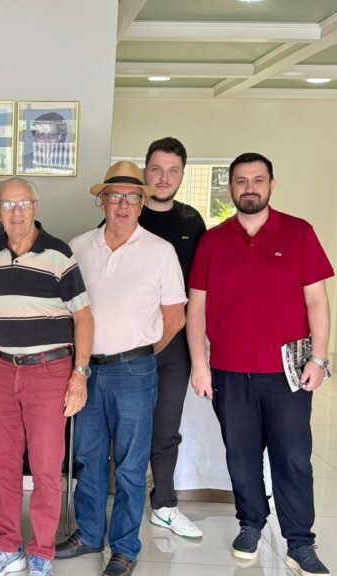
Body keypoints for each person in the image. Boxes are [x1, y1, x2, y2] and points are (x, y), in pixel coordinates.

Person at [187, 152, 334, 575]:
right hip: (230, 373)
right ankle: (250, 524)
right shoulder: (213, 241)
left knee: (293, 457)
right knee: (241, 457)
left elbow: (317, 301)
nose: (249, 188)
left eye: (258, 180)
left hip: (288, 374)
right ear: (230, 187)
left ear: (271, 185)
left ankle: (300, 542)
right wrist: (200, 364)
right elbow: (197, 308)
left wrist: (319, 358)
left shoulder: (299, 233)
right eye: (241, 180)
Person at [56, 161, 186, 576]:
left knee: (130, 465)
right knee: (87, 458)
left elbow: (175, 317)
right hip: (86, 372)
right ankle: (89, 535)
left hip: (135, 373)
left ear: (143, 203)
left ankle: (125, 547)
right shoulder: (78, 247)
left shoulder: (160, 252)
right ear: (102, 201)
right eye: (115, 196)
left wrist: (140, 352)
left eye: (132, 197)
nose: (123, 205)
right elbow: (64, 310)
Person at [0, 177, 92, 576]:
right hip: (1, 368)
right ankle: (8, 547)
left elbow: (84, 317)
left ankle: (42, 551)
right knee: (4, 466)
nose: (16, 212)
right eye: (7, 205)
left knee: (45, 467)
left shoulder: (59, 254)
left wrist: (79, 375)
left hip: (49, 370)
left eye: (23, 203)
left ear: (36, 207)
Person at [140, 137, 206, 539]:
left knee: (165, 427)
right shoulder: (125, 212)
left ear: (182, 175)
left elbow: (201, 289)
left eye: (173, 171)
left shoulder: (191, 221)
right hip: (125, 346)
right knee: (121, 429)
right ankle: (116, 504)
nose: (164, 178)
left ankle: (163, 504)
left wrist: (201, 355)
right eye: (156, 169)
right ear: (144, 170)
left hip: (174, 344)